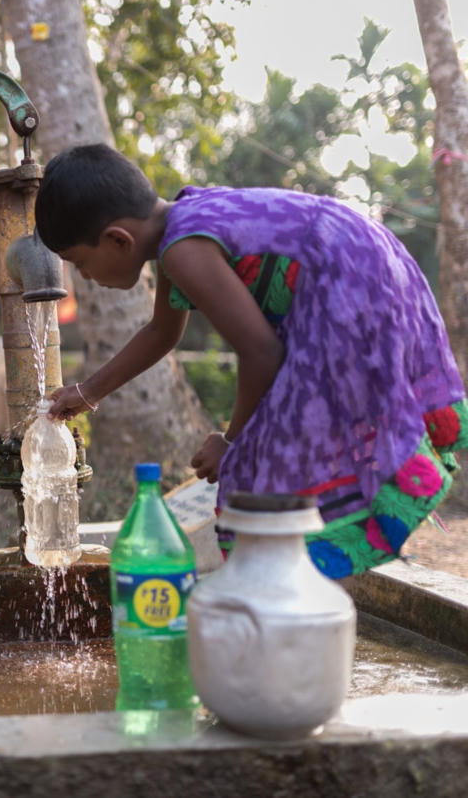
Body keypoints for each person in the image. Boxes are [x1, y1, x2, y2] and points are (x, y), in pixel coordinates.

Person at [34, 143, 467, 578]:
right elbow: (162, 332)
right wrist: (87, 393)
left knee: (260, 468)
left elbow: (261, 353)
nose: (85, 278)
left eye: (80, 264)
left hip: (344, 284)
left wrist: (232, 441)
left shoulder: (183, 250)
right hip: (370, 260)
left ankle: (294, 586)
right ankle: (303, 583)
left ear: (117, 239)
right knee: (289, 447)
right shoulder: (182, 227)